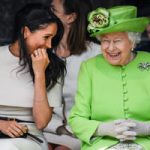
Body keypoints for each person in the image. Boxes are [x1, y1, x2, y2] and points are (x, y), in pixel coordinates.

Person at [69, 5, 150, 150]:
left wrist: (145, 128)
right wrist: (103, 129)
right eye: (105, 41)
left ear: (132, 42)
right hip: (102, 145)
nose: (110, 48)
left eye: (117, 41)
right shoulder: (90, 67)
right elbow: (76, 119)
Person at [0, 3, 65, 150]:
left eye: (52, 39)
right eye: (46, 37)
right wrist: (1, 125)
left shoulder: (54, 67)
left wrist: (40, 73)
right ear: (25, 32)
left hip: (29, 138)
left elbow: (41, 122)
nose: (49, 45)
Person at [43, 0, 101, 149]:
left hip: (79, 133)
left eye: (53, 10)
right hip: (47, 131)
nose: (45, 14)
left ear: (70, 17)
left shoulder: (97, 54)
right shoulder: (44, 52)